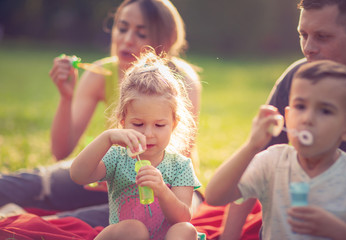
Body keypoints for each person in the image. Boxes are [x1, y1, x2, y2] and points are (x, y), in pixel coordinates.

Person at [0, 0, 201, 228]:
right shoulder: (101, 73)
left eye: (141, 33)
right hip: (112, 170)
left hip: (167, 187)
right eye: (122, 28)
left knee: (135, 217)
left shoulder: (181, 82)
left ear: (166, 40)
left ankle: (24, 222)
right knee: (36, 183)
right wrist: (66, 98)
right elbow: (61, 151)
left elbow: (170, 156)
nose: (126, 39)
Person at [221, 0, 346, 238]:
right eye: (303, 35)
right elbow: (252, 165)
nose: (308, 48)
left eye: (322, 37)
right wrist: (228, 236)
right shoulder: (299, 78)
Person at [206, 60, 346, 239]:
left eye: (325, 111)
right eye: (300, 106)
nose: (307, 119)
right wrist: (251, 146)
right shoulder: (272, 162)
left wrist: (339, 232)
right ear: (287, 117)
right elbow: (214, 196)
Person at [71, 50, 201, 240]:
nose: (148, 134)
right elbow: (78, 175)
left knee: (186, 230)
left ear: (174, 124)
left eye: (159, 125)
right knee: (135, 229)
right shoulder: (117, 157)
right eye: (138, 124)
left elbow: (183, 216)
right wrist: (107, 138)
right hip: (126, 236)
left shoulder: (180, 166)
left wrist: (162, 190)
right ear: (122, 121)